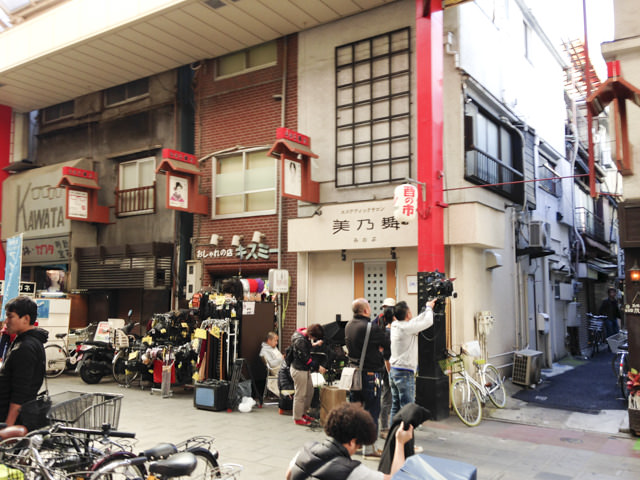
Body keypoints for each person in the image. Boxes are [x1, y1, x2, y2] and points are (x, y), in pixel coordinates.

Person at [285, 402, 413, 480]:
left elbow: (288, 475)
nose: (355, 450)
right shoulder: (353, 471)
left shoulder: (305, 450)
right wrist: (400, 442)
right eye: (358, 445)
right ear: (352, 442)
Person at [344, 298, 390, 459]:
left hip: (354, 374)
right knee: (372, 411)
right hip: (371, 374)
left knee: (355, 411)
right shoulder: (371, 327)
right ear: (365, 310)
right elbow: (387, 344)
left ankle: (354, 444)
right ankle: (369, 448)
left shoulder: (349, 326)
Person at [0, 296, 48, 426]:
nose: (6, 321)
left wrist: (8, 426)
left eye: (10, 317)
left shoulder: (25, 347)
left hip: (14, 418)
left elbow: (20, 393)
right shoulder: (29, 341)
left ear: (26, 319)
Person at [389, 299, 436, 422]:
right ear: (407, 314)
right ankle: (405, 433)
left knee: (395, 406)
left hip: (394, 371)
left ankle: (393, 431)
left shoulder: (395, 325)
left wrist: (426, 310)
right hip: (404, 373)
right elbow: (428, 321)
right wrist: (429, 308)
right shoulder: (407, 328)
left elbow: (414, 322)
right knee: (407, 409)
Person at [290, 324, 326, 426]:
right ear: (311, 334)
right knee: (300, 395)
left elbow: (306, 347)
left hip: (304, 369)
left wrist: (315, 344)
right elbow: (306, 359)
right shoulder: (299, 340)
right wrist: (318, 367)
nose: (313, 339)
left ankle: (303, 413)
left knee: (309, 392)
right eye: (314, 338)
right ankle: (297, 417)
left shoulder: (304, 335)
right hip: (299, 370)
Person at [372, 298, 395, 440]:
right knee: (387, 396)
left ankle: (385, 426)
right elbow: (387, 353)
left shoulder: (377, 322)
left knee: (385, 396)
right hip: (387, 365)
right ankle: (385, 427)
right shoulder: (388, 328)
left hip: (380, 363)